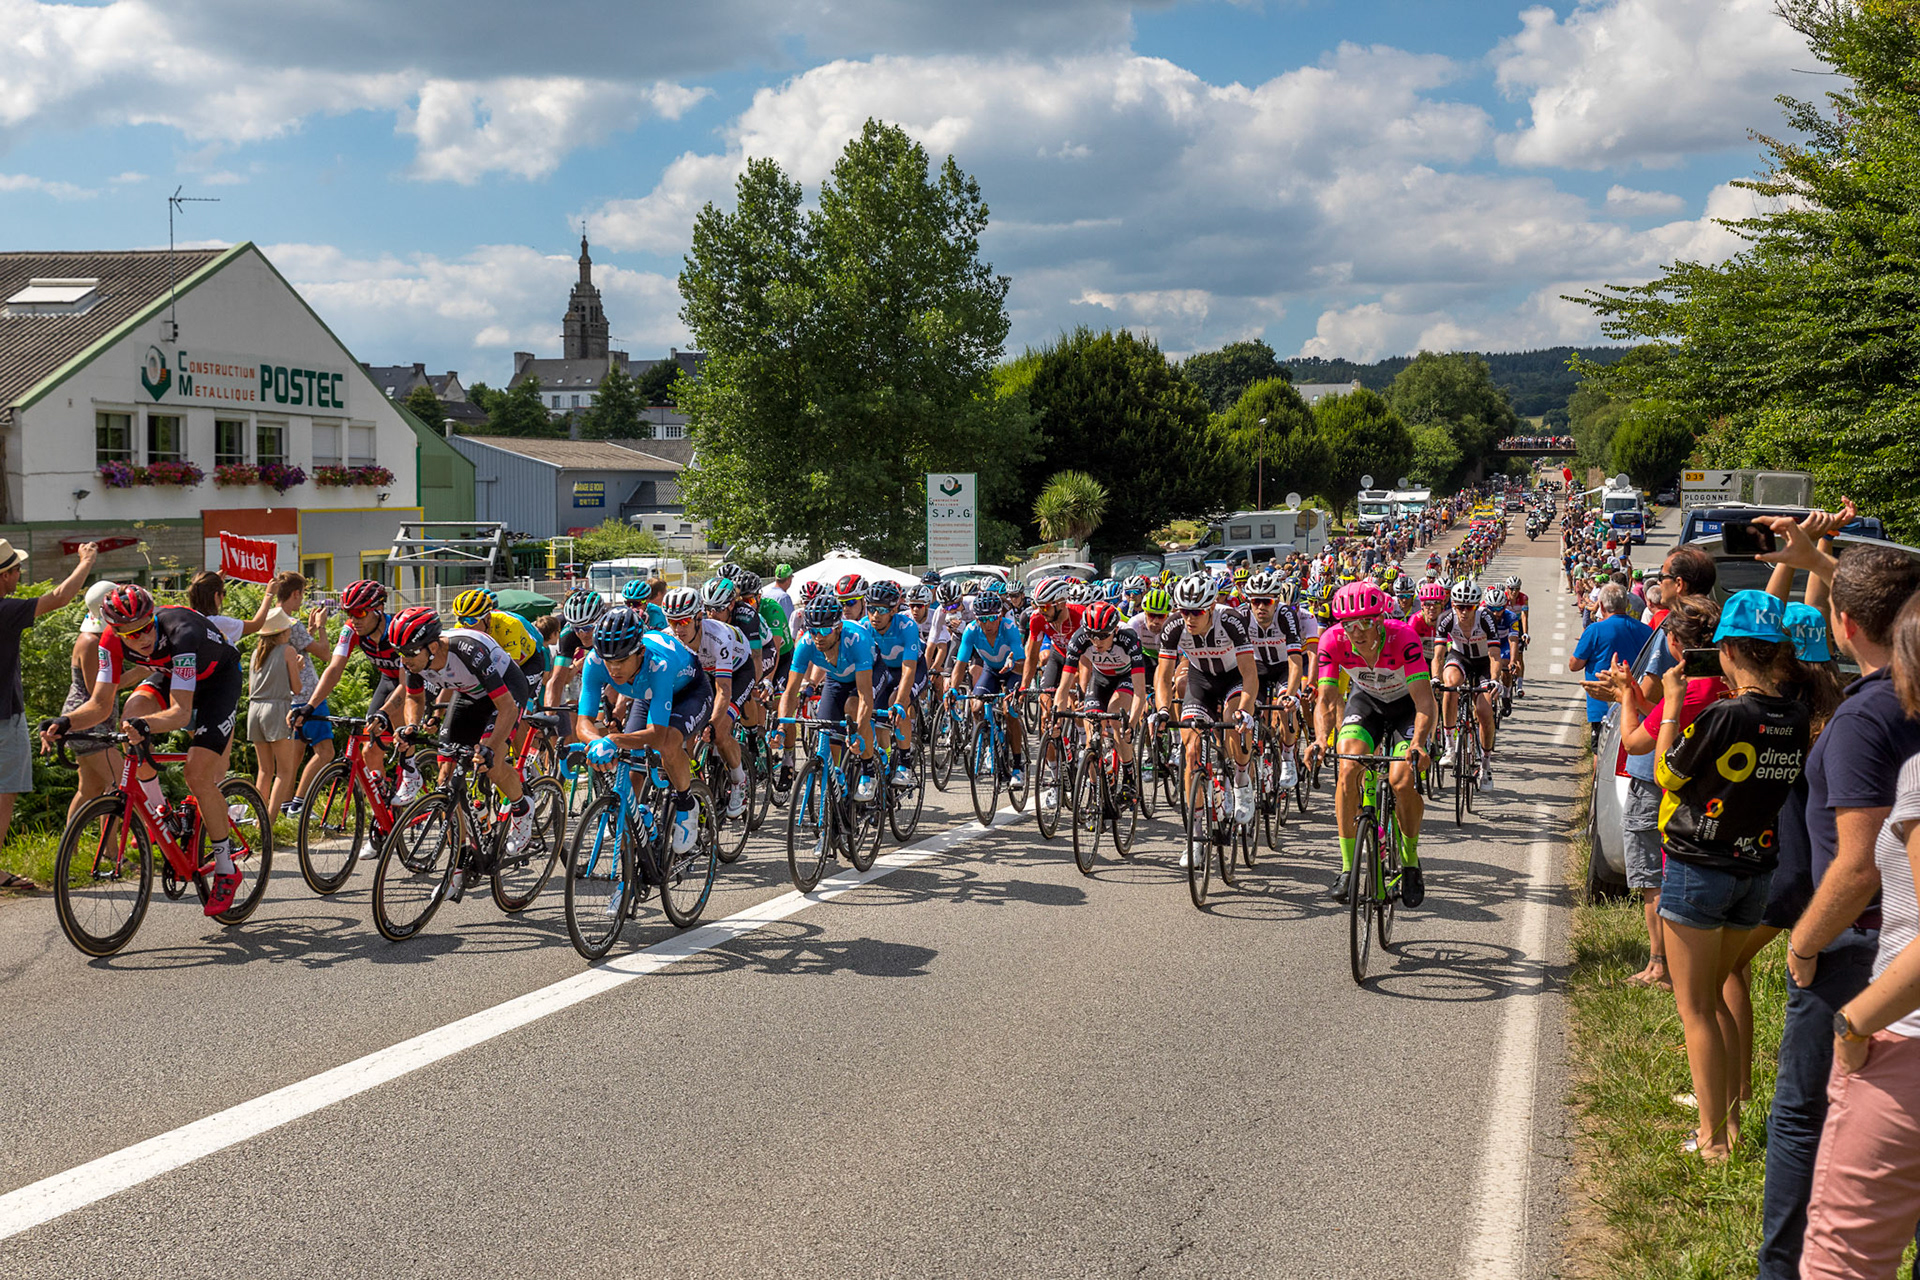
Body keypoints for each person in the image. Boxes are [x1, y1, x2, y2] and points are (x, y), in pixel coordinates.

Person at [1757, 525, 1920, 1275]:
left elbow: (1858, 867)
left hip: (1861, 947)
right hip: (1890, 950)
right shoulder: (1903, 700)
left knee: (1802, 1117)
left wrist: (1803, 943)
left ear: (1845, 624)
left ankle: (1783, 1266)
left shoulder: (1864, 718)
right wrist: (1817, 563)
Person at [1655, 590, 1811, 1161]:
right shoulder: (1794, 717)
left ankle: (1712, 1141)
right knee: (1718, 999)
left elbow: (1670, 775)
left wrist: (1672, 704)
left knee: (1696, 1007)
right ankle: (1730, 1123)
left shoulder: (1726, 714)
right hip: (1756, 869)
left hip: (1700, 866)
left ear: (1727, 651)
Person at [1800, 595, 1920, 1278]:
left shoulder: (1915, 769)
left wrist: (1854, 1022)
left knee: (1845, 1259)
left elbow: (1858, 869)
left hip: (1905, 1040)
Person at [1592, 595, 1725, 992]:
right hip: (1710, 795)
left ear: (1678, 643)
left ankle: (1659, 965)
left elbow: (1634, 741)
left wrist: (1625, 697)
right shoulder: (1722, 681)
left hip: (1663, 789)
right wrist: (1632, 690)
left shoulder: (1687, 689)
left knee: (1653, 876)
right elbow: (1663, 717)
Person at [0, 539, 98, 882]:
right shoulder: (5, 611)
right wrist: (86, 562)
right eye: (15, 570)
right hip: (4, 716)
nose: (19, 575)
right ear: (3, 576)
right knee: (3, 793)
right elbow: (59, 598)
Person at [60, 581, 127, 826]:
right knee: (118, 786)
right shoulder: (90, 642)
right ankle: (109, 852)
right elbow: (96, 691)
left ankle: (69, 851)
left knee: (89, 788)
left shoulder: (101, 637)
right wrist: (141, 673)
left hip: (94, 725)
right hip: (87, 725)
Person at [1570, 583, 1652, 750]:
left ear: (1601, 606)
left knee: (1600, 754)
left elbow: (1574, 665)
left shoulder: (1594, 630)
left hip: (1602, 703)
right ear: (1626, 604)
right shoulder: (1646, 631)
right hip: (1638, 703)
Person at [244, 608, 303, 815]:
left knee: (264, 770)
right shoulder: (288, 651)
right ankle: (269, 821)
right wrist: (298, 668)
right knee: (285, 772)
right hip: (276, 709)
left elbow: (252, 689)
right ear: (283, 632)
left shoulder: (256, 653)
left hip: (255, 710)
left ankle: (258, 818)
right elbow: (297, 689)